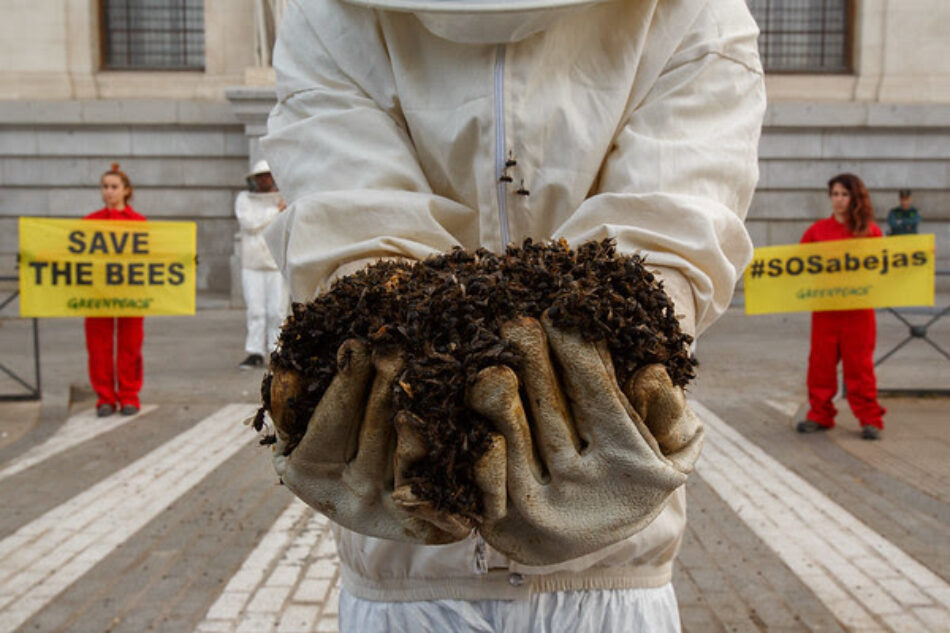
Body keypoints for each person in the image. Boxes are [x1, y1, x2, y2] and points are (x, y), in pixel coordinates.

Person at [261, 0, 766, 630]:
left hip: (591, 564)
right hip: (429, 565)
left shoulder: (692, 12)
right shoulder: (329, 15)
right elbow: (361, 237)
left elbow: (666, 234)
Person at [796, 173, 886, 441]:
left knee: (860, 367)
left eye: (844, 194)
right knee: (820, 364)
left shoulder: (870, 232)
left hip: (858, 311)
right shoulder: (816, 231)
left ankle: (870, 419)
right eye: (834, 194)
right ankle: (820, 414)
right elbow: (797, 267)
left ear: (854, 197)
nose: (838, 199)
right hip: (825, 310)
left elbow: (883, 267)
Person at [85, 163, 146, 417]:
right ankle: (105, 398)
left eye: (114, 187)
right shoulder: (89, 223)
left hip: (131, 295)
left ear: (126, 190)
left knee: (130, 346)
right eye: (105, 187)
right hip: (97, 295)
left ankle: (129, 395)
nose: (108, 191)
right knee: (98, 348)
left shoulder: (140, 224)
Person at [235, 160, 287, 370]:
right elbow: (250, 223)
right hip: (252, 262)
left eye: (268, 175)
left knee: (277, 310)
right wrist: (274, 212)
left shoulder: (283, 199)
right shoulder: (244, 199)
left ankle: (277, 350)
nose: (265, 179)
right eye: (261, 176)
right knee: (256, 310)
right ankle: (255, 350)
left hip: (275, 262)